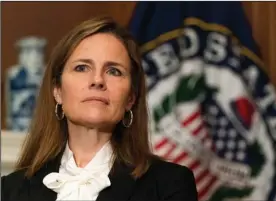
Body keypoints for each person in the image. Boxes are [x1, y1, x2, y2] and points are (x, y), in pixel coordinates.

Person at [1, 16, 198, 201]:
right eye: (82, 68)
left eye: (114, 71)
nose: (97, 80)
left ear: (131, 98)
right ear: (58, 91)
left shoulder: (169, 184)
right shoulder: (10, 189)